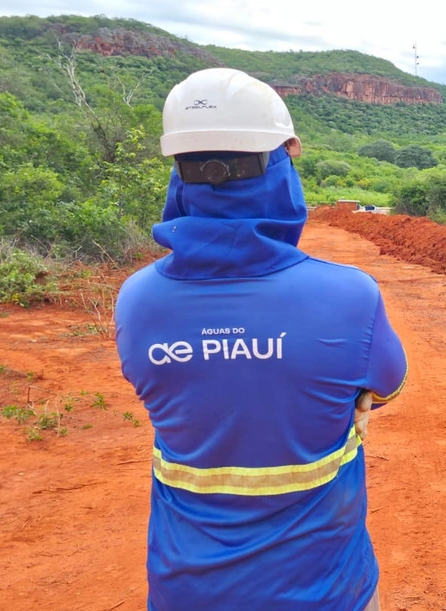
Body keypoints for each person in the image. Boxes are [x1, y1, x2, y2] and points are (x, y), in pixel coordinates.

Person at [114, 68, 406, 611]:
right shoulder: (349, 297)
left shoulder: (136, 301)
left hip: (187, 592)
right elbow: (387, 385)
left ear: (177, 169)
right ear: (286, 156)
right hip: (326, 592)